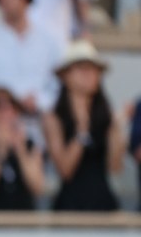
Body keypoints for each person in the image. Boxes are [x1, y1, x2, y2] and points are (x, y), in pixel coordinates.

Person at [43, 40, 125, 212]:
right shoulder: (54, 118)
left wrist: (117, 128)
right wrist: (81, 130)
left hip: (103, 204)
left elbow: (115, 167)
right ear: (66, 75)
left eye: (93, 68)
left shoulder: (106, 116)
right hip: (70, 205)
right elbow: (65, 170)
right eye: (81, 67)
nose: (88, 74)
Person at [0, 87, 46, 210]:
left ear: (16, 111)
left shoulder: (30, 144)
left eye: (10, 107)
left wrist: (20, 149)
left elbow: (37, 187)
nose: (4, 113)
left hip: (23, 221)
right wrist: (1, 150)